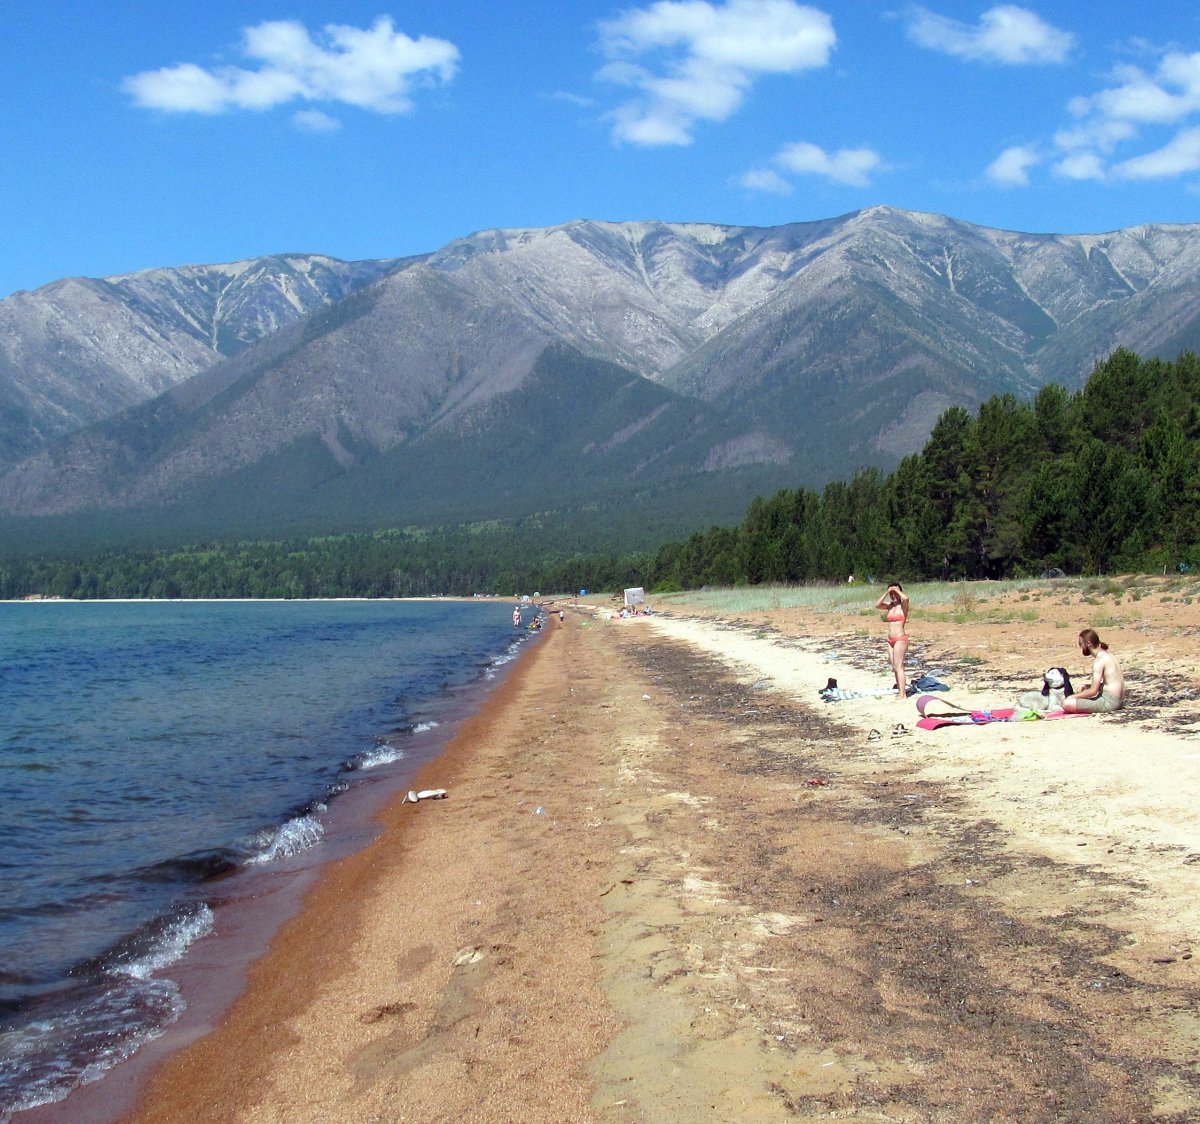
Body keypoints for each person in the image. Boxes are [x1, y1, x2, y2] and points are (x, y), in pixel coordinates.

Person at [1063, 628, 1125, 712]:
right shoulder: (1110, 656)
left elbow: (1093, 691)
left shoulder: (1099, 661)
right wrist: (1086, 687)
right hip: (1120, 701)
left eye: (1080, 643)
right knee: (1082, 691)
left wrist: (1073, 696)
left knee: (1067, 703)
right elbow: (1112, 683)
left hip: (1109, 702)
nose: (1080, 647)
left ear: (1088, 643)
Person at [875, 581, 910, 698]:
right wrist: (887, 591)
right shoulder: (890, 606)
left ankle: (902, 694)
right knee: (894, 667)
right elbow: (877, 605)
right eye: (891, 594)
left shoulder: (903, 606)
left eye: (895, 593)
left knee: (899, 666)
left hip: (900, 638)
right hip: (890, 640)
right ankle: (899, 689)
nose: (893, 595)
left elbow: (906, 598)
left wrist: (896, 590)